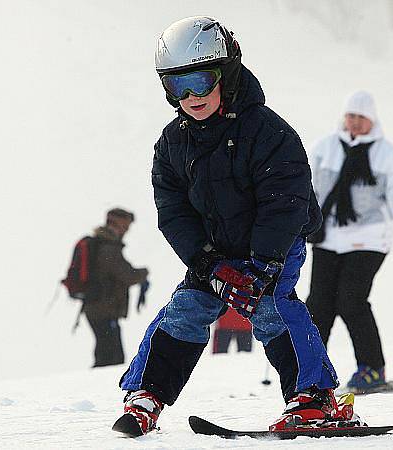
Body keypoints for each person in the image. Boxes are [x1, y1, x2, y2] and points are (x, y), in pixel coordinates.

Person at [111, 16, 365, 437]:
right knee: (186, 310)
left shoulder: (268, 132)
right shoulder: (173, 142)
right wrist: (206, 263)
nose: (191, 96)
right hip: (215, 252)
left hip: (274, 246)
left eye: (200, 80)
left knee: (270, 307)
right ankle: (146, 396)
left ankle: (316, 399)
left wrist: (263, 264)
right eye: (177, 86)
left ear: (226, 75)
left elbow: (285, 203)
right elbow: (172, 211)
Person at [306, 91, 393, 392]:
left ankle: (372, 369)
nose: (355, 123)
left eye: (361, 118)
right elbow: (308, 185)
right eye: (351, 116)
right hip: (328, 236)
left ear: (372, 120)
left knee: (350, 299)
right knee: (318, 304)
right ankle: (310, 368)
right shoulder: (325, 148)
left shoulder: (386, 154)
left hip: (369, 238)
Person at [83, 208, 149, 367]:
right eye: (125, 226)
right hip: (103, 309)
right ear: (115, 223)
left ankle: (97, 388)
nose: (126, 230)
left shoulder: (105, 245)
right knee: (111, 357)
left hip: (99, 308)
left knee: (108, 355)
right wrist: (144, 273)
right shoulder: (108, 248)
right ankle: (97, 389)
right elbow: (126, 274)